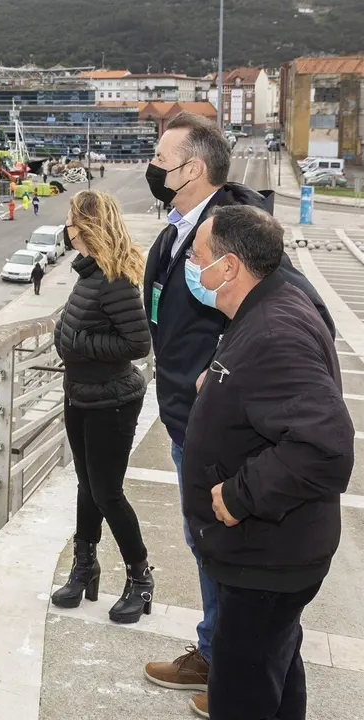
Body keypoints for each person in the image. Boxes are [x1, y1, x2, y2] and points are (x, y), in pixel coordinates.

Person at [140, 111, 336, 717]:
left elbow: (322, 442)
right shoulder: (182, 227)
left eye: (162, 158)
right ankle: (218, 647)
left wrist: (241, 494)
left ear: (193, 168)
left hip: (252, 505)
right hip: (195, 424)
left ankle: (225, 657)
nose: (153, 167)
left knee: (249, 664)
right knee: (267, 646)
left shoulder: (238, 236)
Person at [183, 206, 352, 719]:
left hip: (267, 556)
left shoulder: (275, 329)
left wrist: (239, 495)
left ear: (229, 267)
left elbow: (325, 446)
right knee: (276, 671)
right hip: (273, 552)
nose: (192, 265)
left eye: (198, 257)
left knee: (242, 693)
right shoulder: (267, 305)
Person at [52, 190, 153, 623]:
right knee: (86, 487)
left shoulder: (113, 279)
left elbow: (139, 343)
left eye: (72, 220)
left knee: (108, 493)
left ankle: (141, 577)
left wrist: (80, 342)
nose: (66, 228)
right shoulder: (88, 272)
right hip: (82, 394)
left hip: (112, 400)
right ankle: (85, 565)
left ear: (87, 226)